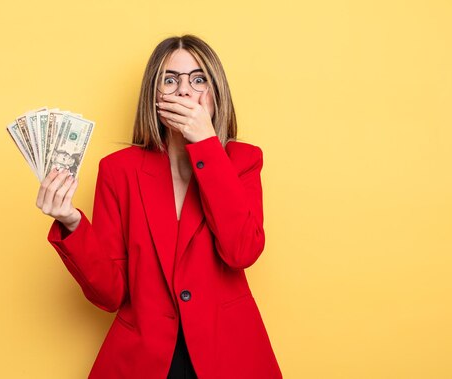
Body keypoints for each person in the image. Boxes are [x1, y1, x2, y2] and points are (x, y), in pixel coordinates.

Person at [36, 35, 283, 379]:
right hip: (144, 360)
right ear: (154, 97)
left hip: (226, 354)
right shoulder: (118, 170)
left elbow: (241, 251)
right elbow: (110, 293)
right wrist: (72, 222)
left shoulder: (242, 161)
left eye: (199, 80)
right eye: (170, 80)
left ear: (216, 95)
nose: (184, 91)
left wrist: (206, 145)